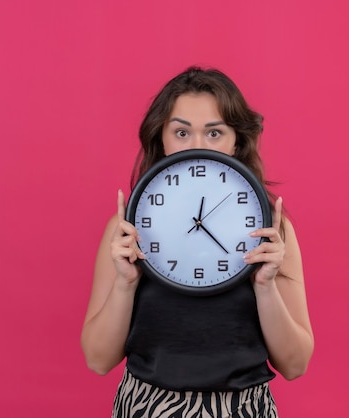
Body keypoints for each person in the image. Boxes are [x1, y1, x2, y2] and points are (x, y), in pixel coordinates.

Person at [81, 66, 314, 417]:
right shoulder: (127, 231)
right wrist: (125, 284)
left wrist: (265, 286)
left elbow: (295, 365)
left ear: (237, 141)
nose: (198, 146)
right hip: (148, 409)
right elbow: (98, 360)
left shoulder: (271, 234)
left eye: (215, 132)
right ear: (162, 139)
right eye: (182, 132)